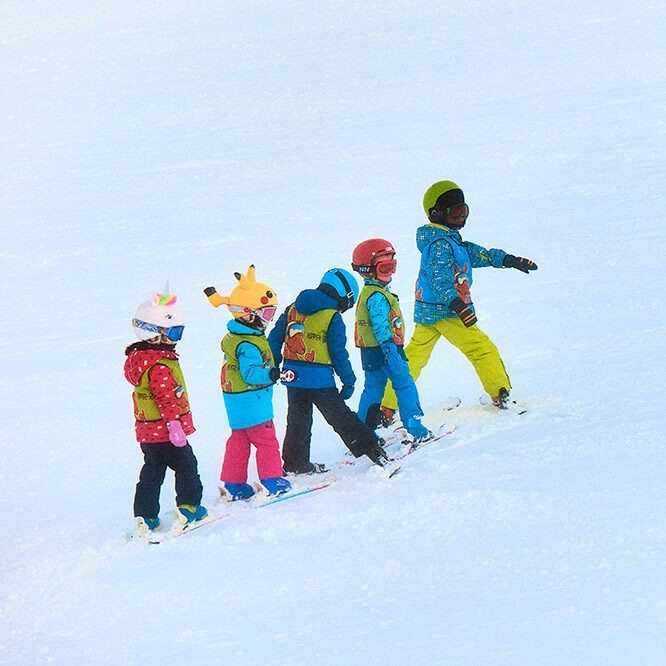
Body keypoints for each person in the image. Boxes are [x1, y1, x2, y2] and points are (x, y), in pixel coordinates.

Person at [381, 180, 538, 420]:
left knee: (413, 357)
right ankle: (500, 393)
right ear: (437, 214)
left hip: (428, 310)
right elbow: (439, 279)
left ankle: (388, 405)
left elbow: (478, 253)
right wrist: (458, 305)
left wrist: (509, 260)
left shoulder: (451, 240)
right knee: (481, 348)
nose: (462, 218)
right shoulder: (441, 244)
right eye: (455, 213)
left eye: (464, 211)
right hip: (448, 312)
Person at [268, 268, 390, 474]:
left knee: (297, 420)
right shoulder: (332, 317)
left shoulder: (292, 308)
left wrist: (273, 365)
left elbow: (274, 338)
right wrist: (348, 380)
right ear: (345, 296)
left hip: (293, 378)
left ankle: (295, 462)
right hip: (320, 380)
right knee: (340, 417)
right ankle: (371, 447)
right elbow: (338, 354)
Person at [204, 265, 291, 501]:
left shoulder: (236, 338)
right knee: (266, 441)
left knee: (239, 440)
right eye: (265, 314)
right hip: (253, 400)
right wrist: (271, 374)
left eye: (271, 314)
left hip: (236, 401)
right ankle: (273, 480)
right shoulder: (249, 344)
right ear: (247, 314)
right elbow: (251, 373)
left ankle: (234, 483)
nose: (268, 321)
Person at [124, 292, 208, 535]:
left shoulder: (140, 360)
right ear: (152, 334)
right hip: (168, 432)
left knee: (152, 471)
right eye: (172, 333)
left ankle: (146, 515)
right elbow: (166, 398)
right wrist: (174, 425)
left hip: (147, 432)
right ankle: (189, 508)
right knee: (187, 466)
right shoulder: (160, 365)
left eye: (178, 333)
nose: (175, 340)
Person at [351, 238, 430, 442]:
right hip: (387, 350)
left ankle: (362, 434)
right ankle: (415, 427)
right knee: (404, 385)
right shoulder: (376, 296)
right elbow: (379, 324)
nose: (391, 273)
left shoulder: (370, 292)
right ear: (367, 269)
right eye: (385, 268)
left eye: (393, 266)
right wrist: (389, 349)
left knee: (373, 390)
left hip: (370, 352)